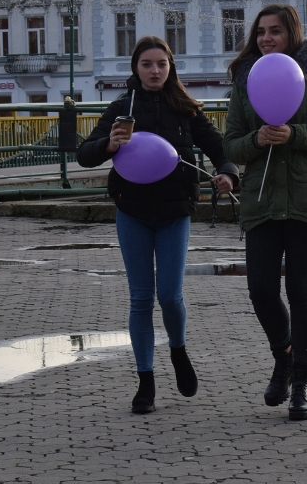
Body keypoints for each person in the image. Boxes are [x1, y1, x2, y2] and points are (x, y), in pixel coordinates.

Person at [78, 36, 239, 415]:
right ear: (135, 68)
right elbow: (85, 154)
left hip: (174, 210)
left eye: (161, 64)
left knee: (169, 295)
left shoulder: (186, 108)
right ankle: (145, 380)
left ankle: (178, 350)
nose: (155, 71)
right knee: (140, 299)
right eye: (147, 64)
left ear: (171, 67)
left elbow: (218, 147)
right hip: (132, 211)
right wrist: (108, 145)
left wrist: (228, 172)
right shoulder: (121, 108)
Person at [223, 3, 307, 421]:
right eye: (260, 32)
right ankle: (284, 355)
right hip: (260, 201)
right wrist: (257, 140)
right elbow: (231, 144)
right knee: (260, 289)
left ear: (291, 33)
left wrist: (293, 133)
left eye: (274, 31)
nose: (266, 39)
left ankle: (302, 380)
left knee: (300, 290)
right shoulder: (246, 79)